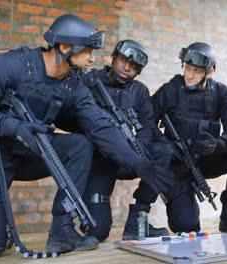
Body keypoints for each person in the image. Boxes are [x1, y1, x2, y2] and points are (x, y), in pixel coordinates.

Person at [0, 14, 173, 259]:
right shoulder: (12, 65)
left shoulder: (73, 85)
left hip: (32, 151)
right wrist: (12, 126)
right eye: (87, 50)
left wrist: (137, 163)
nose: (92, 58)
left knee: (80, 144)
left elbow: (100, 126)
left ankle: (62, 230)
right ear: (65, 47)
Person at [151, 42, 227, 233]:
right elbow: (146, 121)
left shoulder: (221, 92)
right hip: (177, 164)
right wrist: (167, 146)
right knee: (186, 226)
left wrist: (216, 145)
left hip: (206, 159)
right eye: (187, 68)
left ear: (210, 72)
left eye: (196, 71)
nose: (189, 75)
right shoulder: (170, 90)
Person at [78, 39, 171, 241]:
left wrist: (139, 148)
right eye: (123, 60)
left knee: (164, 150)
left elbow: (148, 125)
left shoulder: (139, 91)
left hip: (131, 158)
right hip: (100, 159)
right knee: (97, 232)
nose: (126, 68)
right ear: (114, 58)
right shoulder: (89, 81)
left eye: (134, 66)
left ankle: (138, 218)